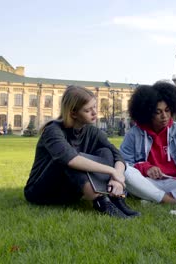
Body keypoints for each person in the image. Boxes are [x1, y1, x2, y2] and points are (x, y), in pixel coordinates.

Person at [24, 85, 139, 218]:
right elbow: (70, 159)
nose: (95, 112)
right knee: (70, 160)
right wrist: (111, 171)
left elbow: (117, 155)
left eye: (95, 107)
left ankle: (116, 198)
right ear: (73, 113)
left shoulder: (92, 131)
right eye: (88, 110)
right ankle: (101, 202)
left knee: (105, 151)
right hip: (41, 191)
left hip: (69, 191)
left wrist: (117, 178)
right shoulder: (53, 130)